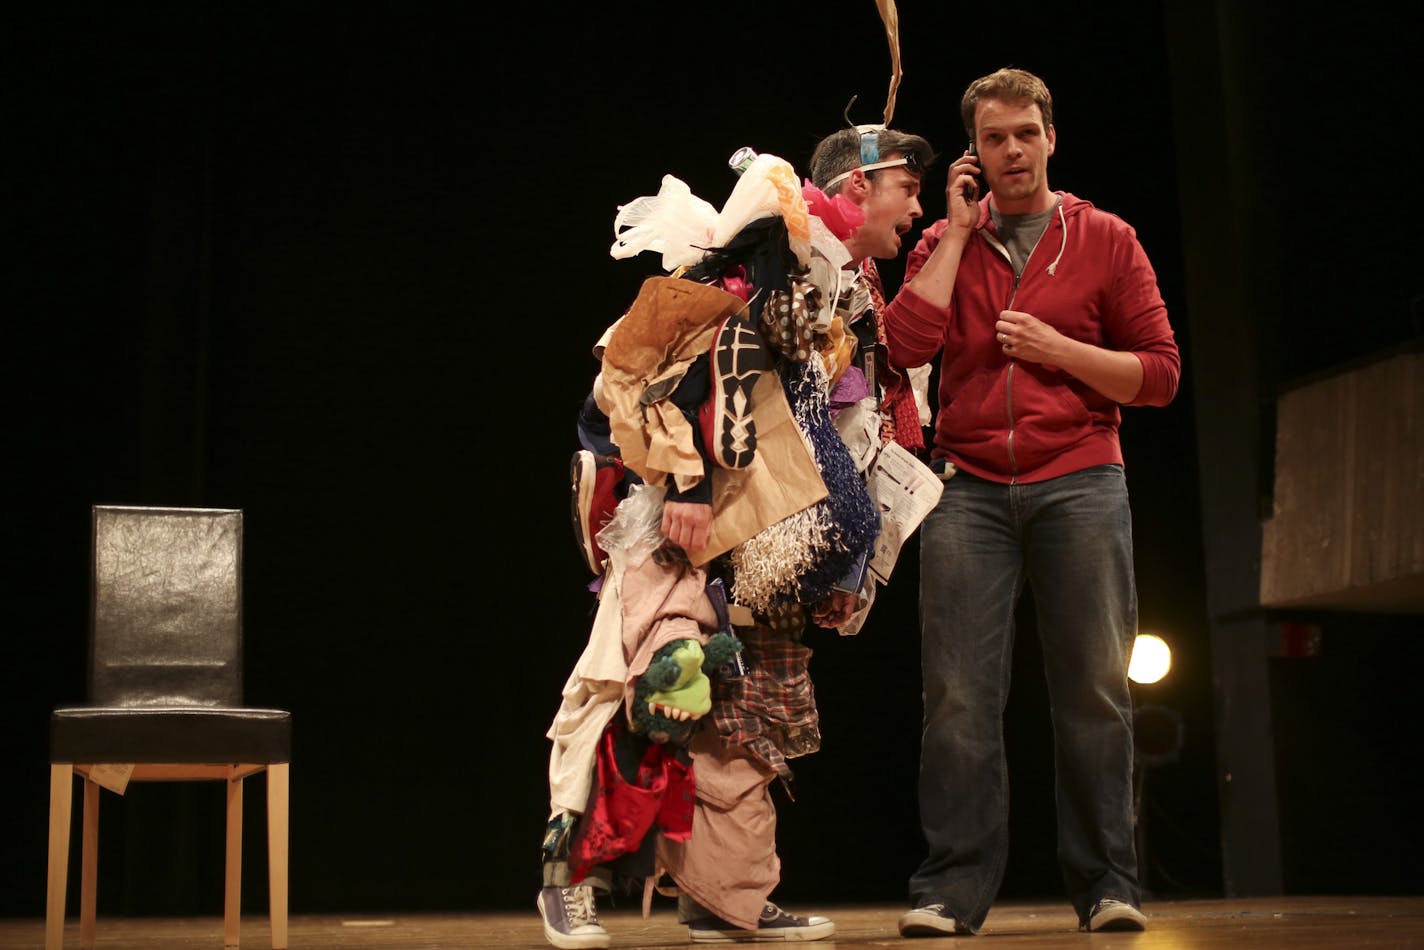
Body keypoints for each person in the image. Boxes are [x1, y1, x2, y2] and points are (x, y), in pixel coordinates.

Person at [537, 125, 935, 949]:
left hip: (770, 531)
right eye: (909, 189)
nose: (918, 208)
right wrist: (684, 483)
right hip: (690, 511)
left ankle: (727, 901)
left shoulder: (846, 279)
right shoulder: (774, 243)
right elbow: (677, 358)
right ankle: (568, 881)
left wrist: (849, 557)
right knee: (646, 682)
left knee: (751, 718)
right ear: (861, 187)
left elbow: (838, 417)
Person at [881, 67, 1180, 936]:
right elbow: (902, 346)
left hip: (1081, 478)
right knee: (959, 698)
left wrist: (1061, 350)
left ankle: (1109, 884)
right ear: (972, 153)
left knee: (1092, 688)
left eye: (1024, 134)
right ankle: (949, 890)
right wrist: (954, 234)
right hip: (968, 488)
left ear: (1051, 138)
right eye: (992, 138)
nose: (1010, 151)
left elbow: (1158, 375)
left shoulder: (1107, 239)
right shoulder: (945, 238)